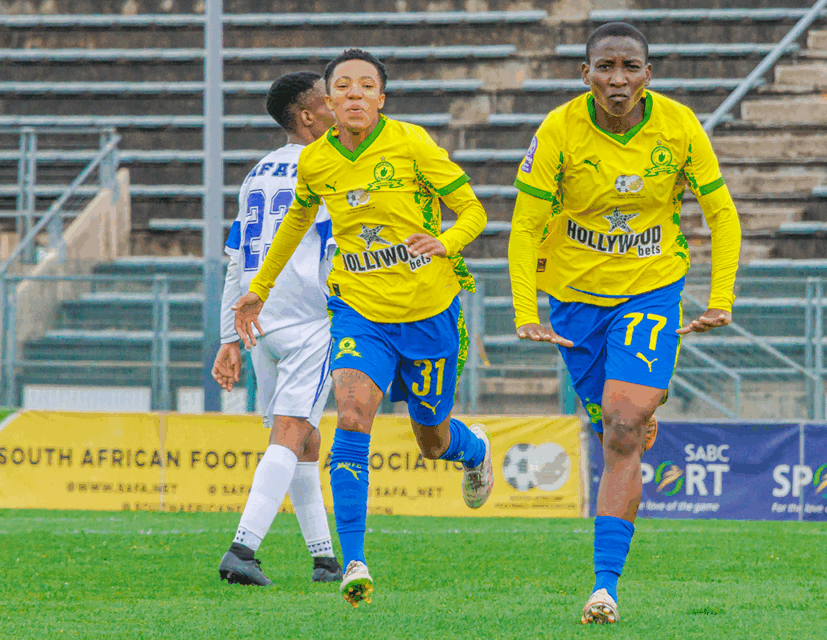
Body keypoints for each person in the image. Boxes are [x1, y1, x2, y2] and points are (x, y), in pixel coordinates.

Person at [232, 49, 494, 607]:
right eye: (344, 85)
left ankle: (473, 451)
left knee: (432, 440)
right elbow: (295, 222)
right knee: (351, 416)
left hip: (429, 312)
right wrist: (260, 287)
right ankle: (353, 561)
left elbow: (473, 210)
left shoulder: (412, 143)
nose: (355, 93)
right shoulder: (316, 161)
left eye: (366, 85)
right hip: (358, 310)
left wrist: (445, 242)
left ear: (381, 98)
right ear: (328, 99)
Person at [508, 22, 741, 624]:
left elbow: (721, 213)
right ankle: (635, 413)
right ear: (584, 73)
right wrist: (526, 310)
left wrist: (721, 297)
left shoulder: (679, 126)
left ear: (648, 74)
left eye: (630, 67)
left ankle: (604, 588)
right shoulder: (558, 129)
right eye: (606, 67)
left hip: (651, 290)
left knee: (621, 427)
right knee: (609, 423)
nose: (618, 79)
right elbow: (525, 225)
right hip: (575, 299)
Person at [212, 71, 342, 587]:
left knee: (303, 438)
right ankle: (242, 549)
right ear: (308, 115)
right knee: (291, 432)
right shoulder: (328, 167)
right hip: (311, 319)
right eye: (328, 100)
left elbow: (235, 260)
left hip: (260, 321)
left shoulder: (257, 173)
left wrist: (229, 336)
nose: (337, 106)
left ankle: (324, 559)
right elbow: (335, 249)